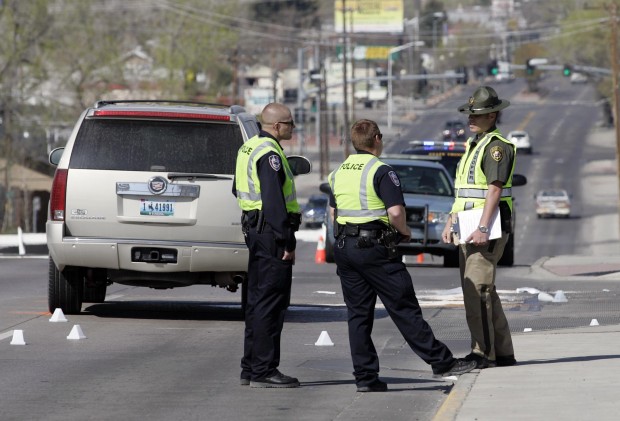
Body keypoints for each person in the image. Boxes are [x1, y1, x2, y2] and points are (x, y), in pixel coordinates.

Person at [327, 119, 477, 393]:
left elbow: (334, 212)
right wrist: (405, 232)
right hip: (373, 248)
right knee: (404, 306)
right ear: (377, 139)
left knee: (358, 315)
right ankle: (441, 362)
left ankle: (365, 378)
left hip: (345, 247)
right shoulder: (382, 171)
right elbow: (395, 212)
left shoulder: (338, 172)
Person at [441, 86, 518, 369]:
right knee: (485, 291)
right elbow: (464, 193)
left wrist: (483, 228)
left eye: (479, 114)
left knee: (477, 291)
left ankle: (483, 354)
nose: (471, 118)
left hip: (487, 228)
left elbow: (494, 191)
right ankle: (503, 352)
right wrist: (451, 220)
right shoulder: (475, 144)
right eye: (470, 113)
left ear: (493, 115)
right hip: (470, 225)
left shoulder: (496, 147)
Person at [233, 103, 302, 388]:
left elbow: (237, 188)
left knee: (256, 302)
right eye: (289, 124)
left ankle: (250, 368)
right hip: (271, 235)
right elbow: (274, 203)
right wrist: (287, 240)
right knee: (271, 305)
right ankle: (264, 370)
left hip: (256, 232)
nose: (292, 128)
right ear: (276, 126)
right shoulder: (270, 154)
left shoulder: (248, 148)